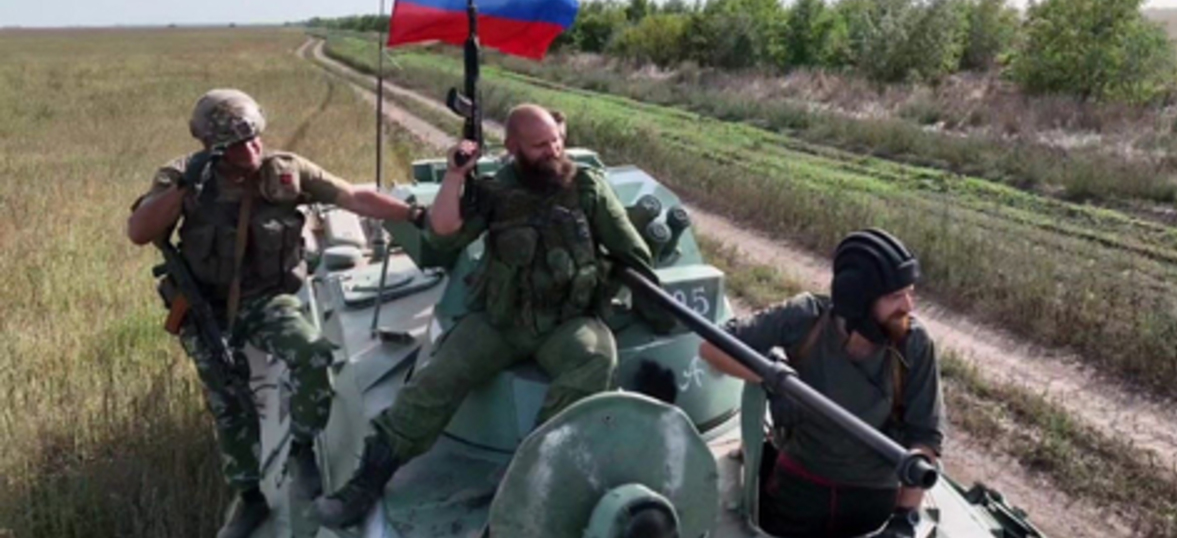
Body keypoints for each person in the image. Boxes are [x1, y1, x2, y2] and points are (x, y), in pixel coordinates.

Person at [315, 103, 668, 528]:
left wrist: (656, 308)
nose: (553, 150)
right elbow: (443, 236)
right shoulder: (495, 191)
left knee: (595, 358)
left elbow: (632, 250)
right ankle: (365, 482)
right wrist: (455, 176)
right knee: (436, 378)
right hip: (502, 321)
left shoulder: (586, 186)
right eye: (540, 145)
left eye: (557, 140)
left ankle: (532, 471)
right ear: (514, 147)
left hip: (566, 321)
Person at [127, 88, 422, 538]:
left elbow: (352, 198)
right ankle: (250, 498)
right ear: (211, 147)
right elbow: (140, 230)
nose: (252, 150)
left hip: (268, 299)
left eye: (256, 139)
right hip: (206, 305)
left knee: (314, 354)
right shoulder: (182, 176)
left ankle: (302, 447)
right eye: (238, 145)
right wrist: (187, 185)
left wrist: (414, 215)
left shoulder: (285, 171)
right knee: (229, 402)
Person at [699, 229, 945, 538]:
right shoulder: (806, 319)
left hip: (873, 495)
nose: (908, 306)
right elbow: (712, 347)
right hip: (799, 487)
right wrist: (773, 379)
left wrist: (904, 517)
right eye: (896, 296)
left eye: (910, 292)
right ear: (858, 299)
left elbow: (926, 436)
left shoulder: (914, 344)